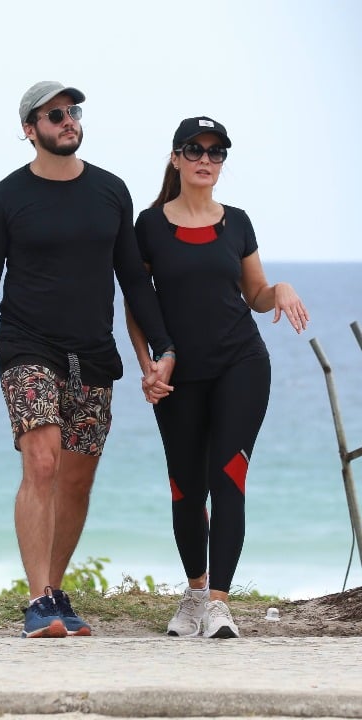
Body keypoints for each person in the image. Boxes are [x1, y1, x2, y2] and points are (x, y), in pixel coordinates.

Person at [0, 81, 176, 638]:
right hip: (27, 346)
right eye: (55, 114)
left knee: (76, 482)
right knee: (43, 463)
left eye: (73, 111)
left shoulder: (110, 191)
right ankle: (36, 601)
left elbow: (133, 281)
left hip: (93, 353)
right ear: (30, 129)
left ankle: (53, 590)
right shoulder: (5, 198)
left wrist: (163, 349)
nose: (68, 120)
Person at [128, 117, 308, 639]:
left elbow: (256, 294)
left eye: (216, 152)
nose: (206, 159)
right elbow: (137, 306)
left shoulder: (239, 222)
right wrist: (148, 365)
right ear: (176, 157)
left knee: (228, 478)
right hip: (178, 376)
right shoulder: (149, 226)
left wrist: (284, 289)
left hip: (241, 365)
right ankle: (194, 593)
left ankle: (221, 605)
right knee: (186, 488)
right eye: (195, 150)